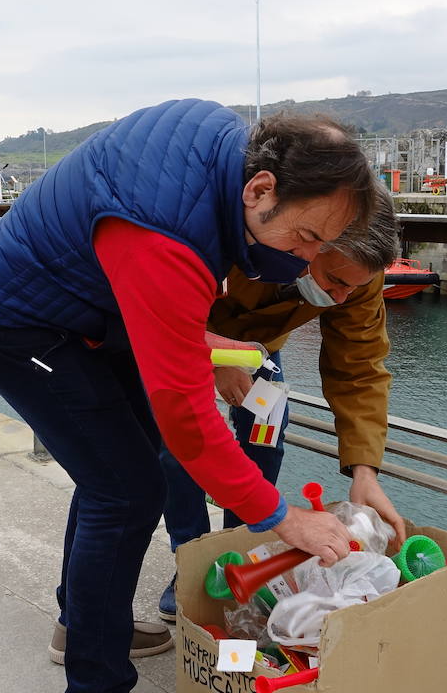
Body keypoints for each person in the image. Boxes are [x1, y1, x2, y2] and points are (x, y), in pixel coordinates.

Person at [0, 99, 379, 693]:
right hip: (18, 321)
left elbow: (166, 311)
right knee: (124, 489)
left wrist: (214, 348)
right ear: (261, 190)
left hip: (93, 315)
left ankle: (83, 625)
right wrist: (284, 518)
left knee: (117, 476)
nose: (308, 260)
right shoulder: (165, 233)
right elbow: (186, 417)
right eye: (307, 238)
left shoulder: (229, 150)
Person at [156, 192, 407, 621]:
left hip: (263, 352)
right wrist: (218, 359)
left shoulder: (359, 274)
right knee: (182, 451)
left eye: (354, 287)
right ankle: (190, 559)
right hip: (193, 338)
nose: (342, 297)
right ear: (309, 242)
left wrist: (365, 471)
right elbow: (166, 300)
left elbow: (360, 367)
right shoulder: (246, 229)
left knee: (264, 445)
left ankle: (236, 554)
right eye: (334, 281)